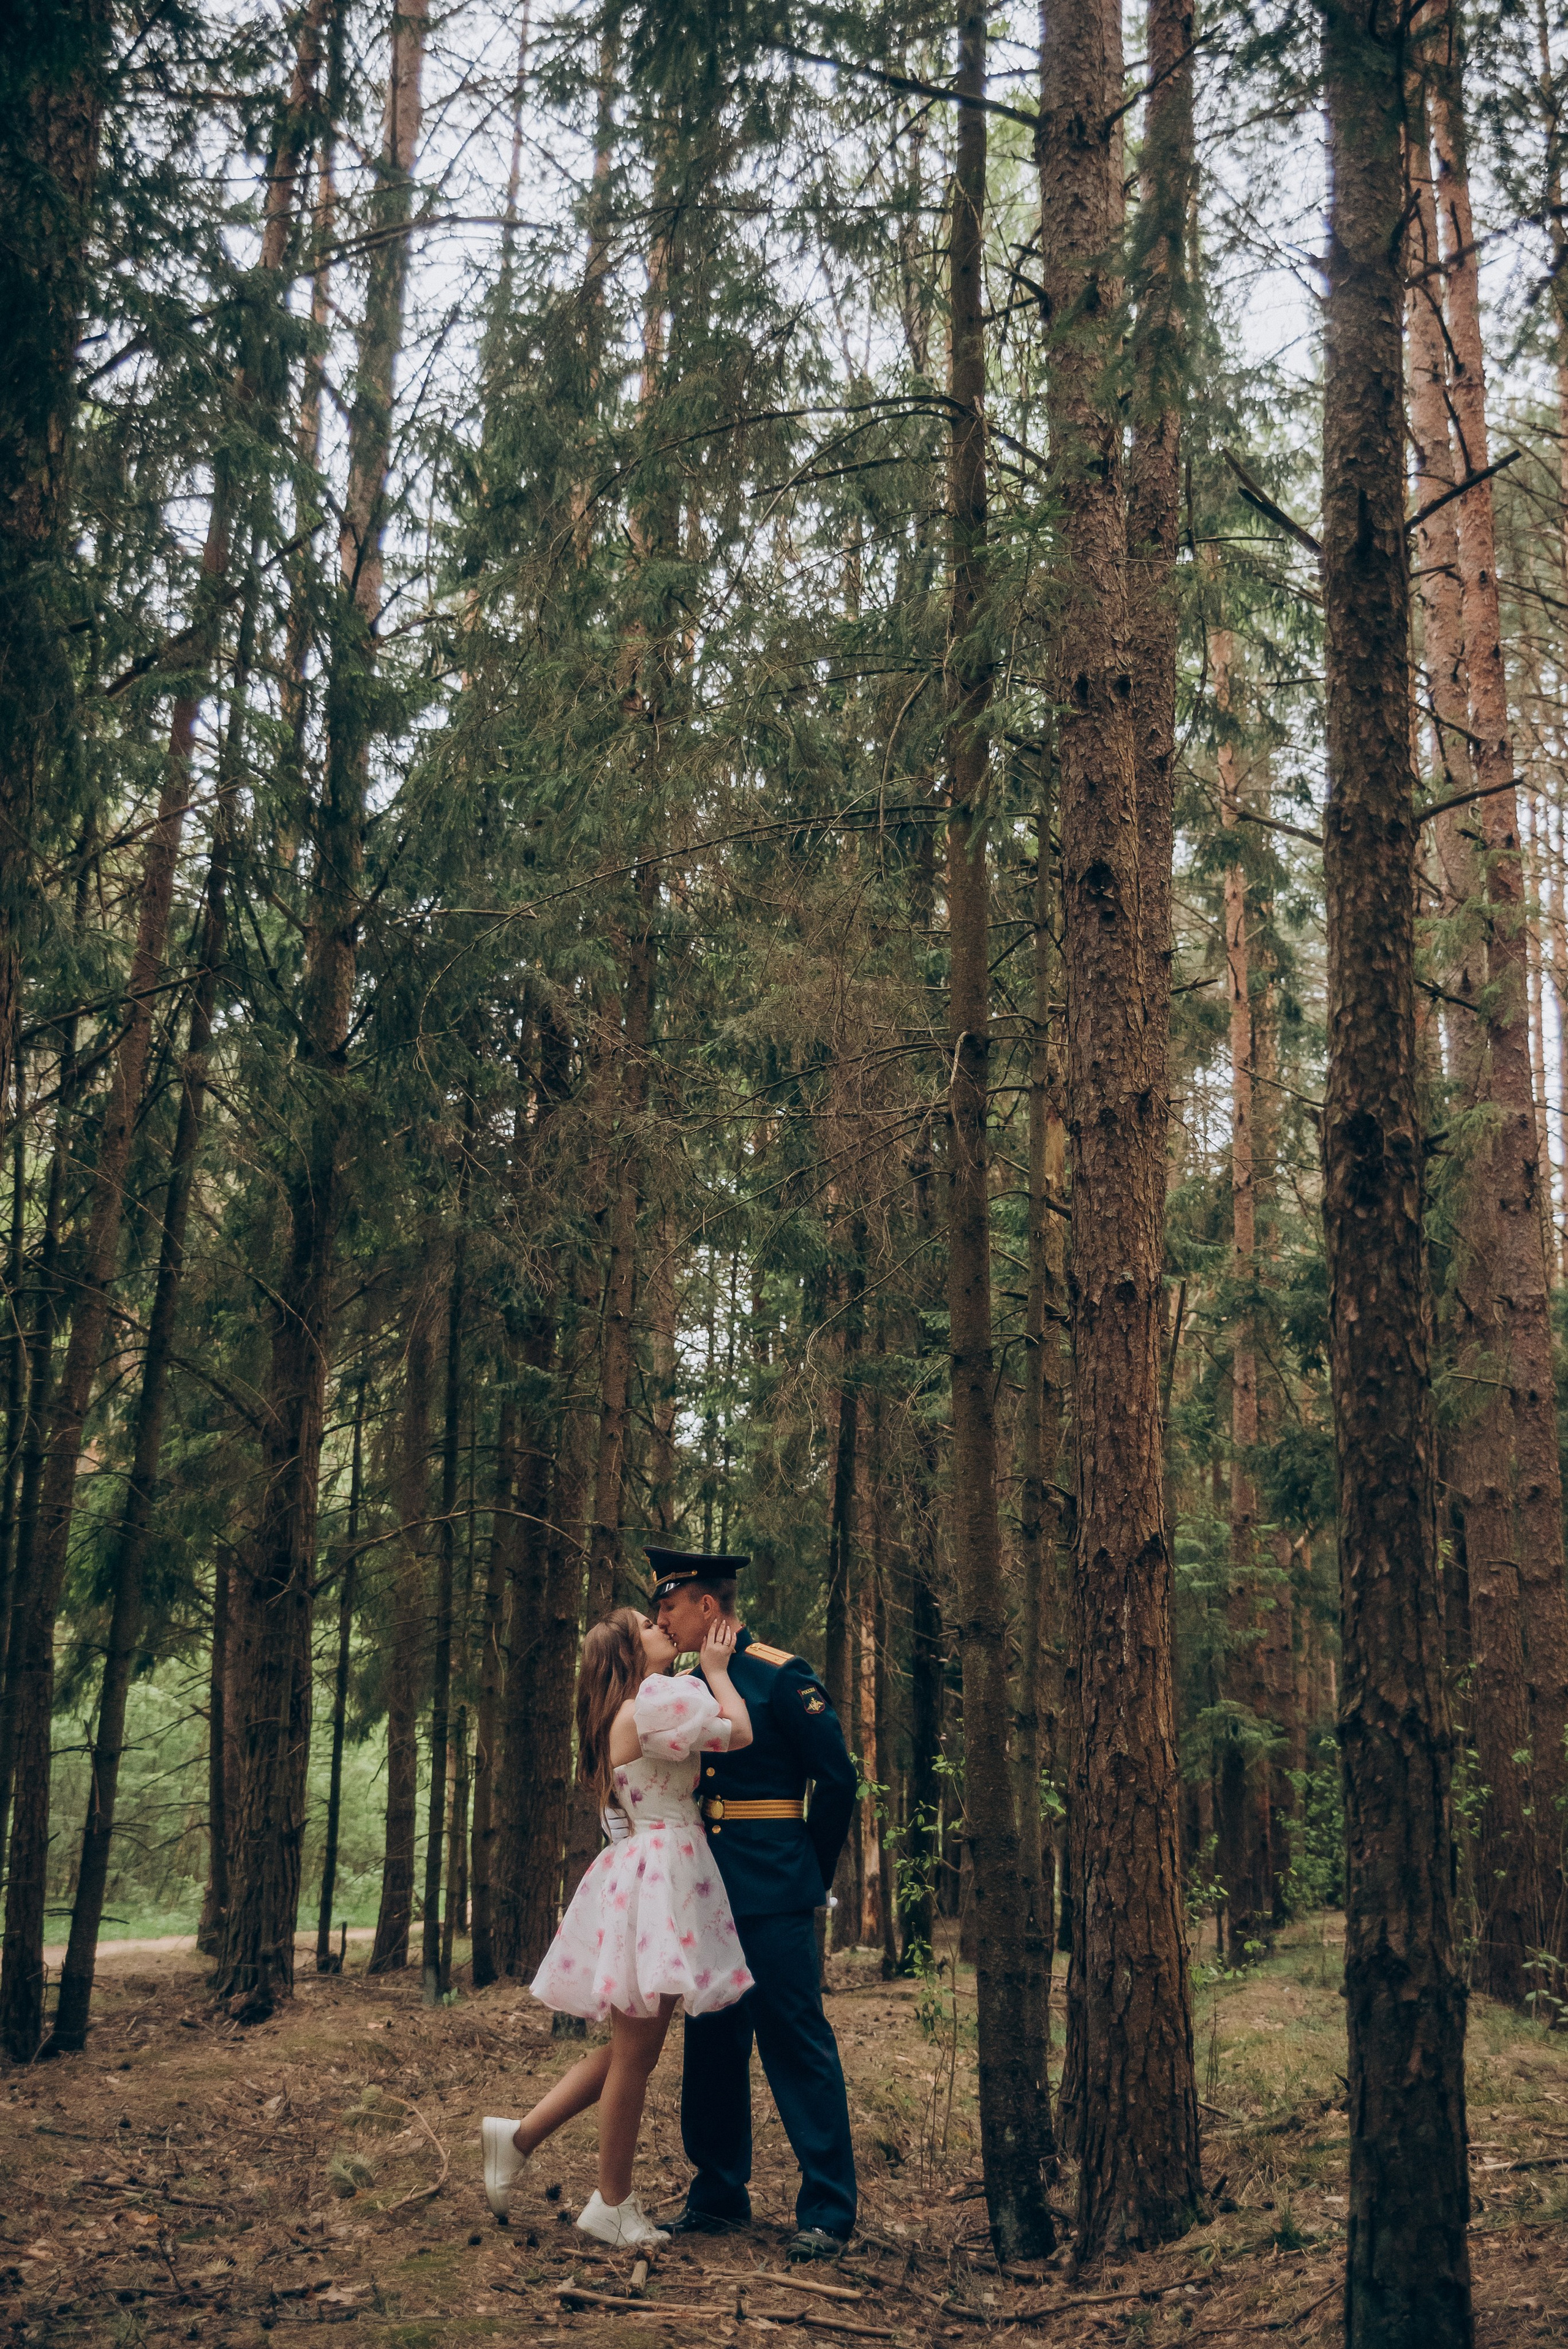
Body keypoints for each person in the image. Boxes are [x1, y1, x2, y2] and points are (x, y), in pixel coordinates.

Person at [480, 1606, 755, 2248]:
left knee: (632, 2050)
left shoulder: (624, 1712)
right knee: (635, 2056)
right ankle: (611, 2201)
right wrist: (716, 1670)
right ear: (634, 1655)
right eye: (649, 1627)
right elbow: (738, 1731)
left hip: (648, 1873)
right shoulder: (651, 1704)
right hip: (661, 1875)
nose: (664, 1625)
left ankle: (518, 2137)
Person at [650, 1546, 859, 2262]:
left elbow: (837, 1780)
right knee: (710, 2039)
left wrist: (808, 1869)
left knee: (794, 2039)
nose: (661, 1619)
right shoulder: (677, 1680)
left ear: (707, 1606)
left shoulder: (779, 1674)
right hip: (704, 1884)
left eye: (670, 1605)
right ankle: (716, 2194)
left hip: (772, 1885)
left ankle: (828, 2208)